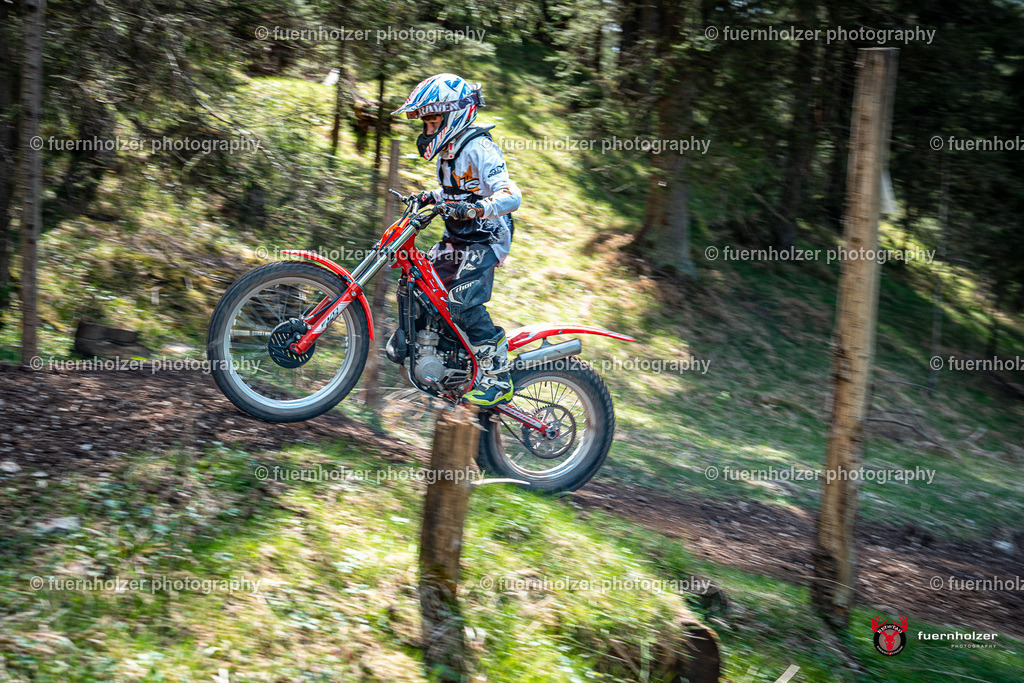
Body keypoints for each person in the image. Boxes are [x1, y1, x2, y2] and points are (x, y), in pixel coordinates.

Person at [391, 73, 522, 406]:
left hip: (486, 238)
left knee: (462, 299)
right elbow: (457, 190)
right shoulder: (449, 151)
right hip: (457, 236)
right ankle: (440, 351)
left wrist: (477, 209)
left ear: (453, 115)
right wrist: (430, 196)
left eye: (433, 122)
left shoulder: (480, 147)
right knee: (419, 286)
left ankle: (498, 376)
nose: (427, 130)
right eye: (426, 124)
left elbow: (511, 195)